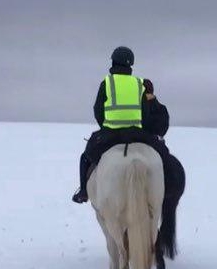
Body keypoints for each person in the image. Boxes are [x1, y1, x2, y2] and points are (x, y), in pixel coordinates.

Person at [72, 46, 170, 203]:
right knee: (162, 154)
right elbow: (145, 113)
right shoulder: (139, 84)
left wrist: (106, 126)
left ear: (113, 62)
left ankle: (84, 191)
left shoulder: (107, 83)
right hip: (137, 134)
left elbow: (98, 110)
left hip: (111, 133)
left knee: (86, 156)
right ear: (131, 64)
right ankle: (167, 189)